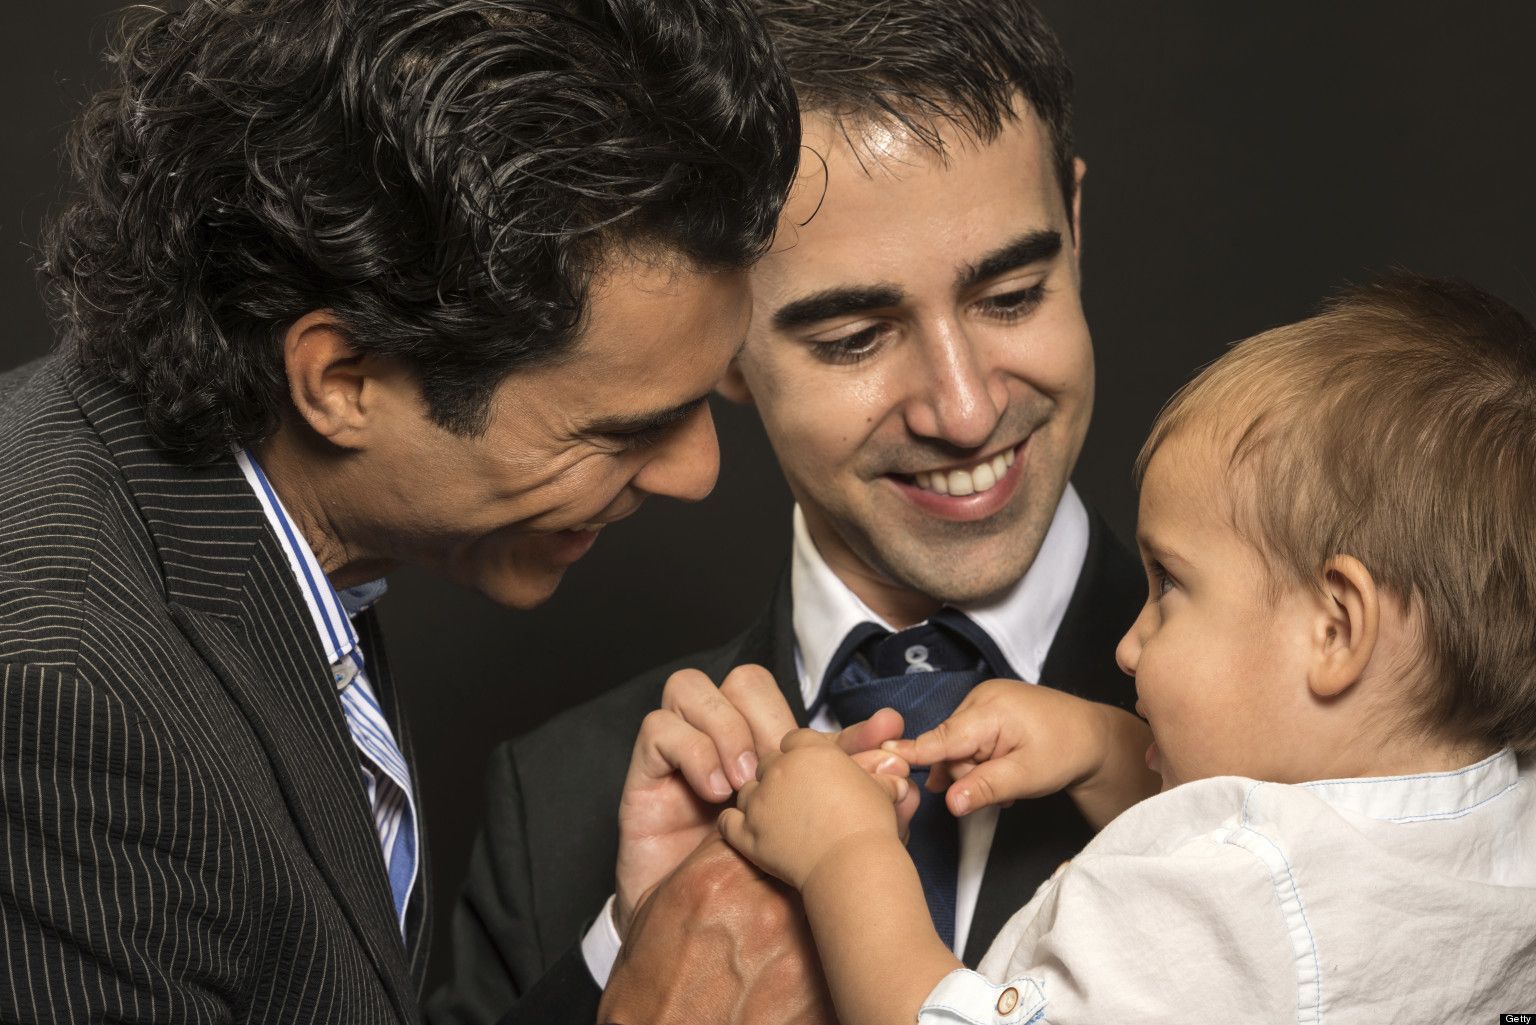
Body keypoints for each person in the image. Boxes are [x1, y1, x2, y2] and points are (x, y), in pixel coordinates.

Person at [0, 0, 798, 1020]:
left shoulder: (263, 534)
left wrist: (621, 957)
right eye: (620, 429)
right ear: (340, 381)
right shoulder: (60, 715)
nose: (699, 473)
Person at [428, 2, 1152, 1022]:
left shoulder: (1324, 729)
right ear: (712, 338)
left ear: (1075, 231)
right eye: (856, 336)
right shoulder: (553, 804)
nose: (966, 407)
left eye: (1012, 295)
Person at [719, 274, 1536, 1022]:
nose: (1129, 645)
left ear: (1335, 628)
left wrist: (845, 855)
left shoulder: (1243, 900)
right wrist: (1107, 749)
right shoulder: (1496, 840)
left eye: (1170, 585)